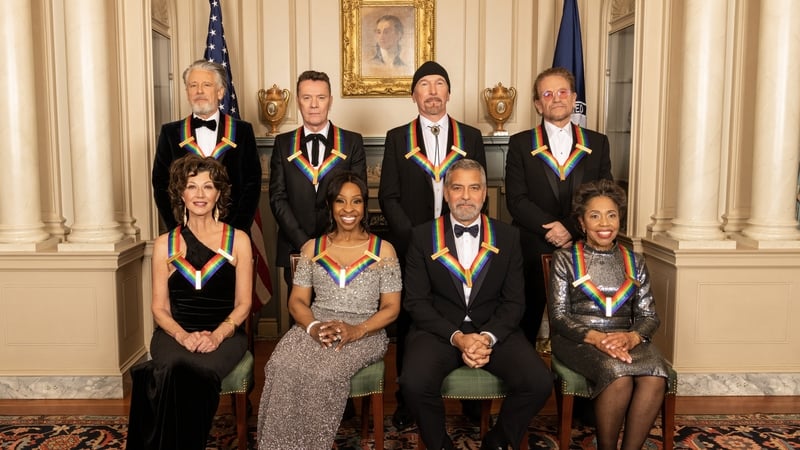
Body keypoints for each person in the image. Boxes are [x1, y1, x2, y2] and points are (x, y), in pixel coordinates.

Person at [400, 159, 552, 450]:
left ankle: (496, 441)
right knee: (413, 383)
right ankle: (440, 444)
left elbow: (514, 301)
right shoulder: (422, 236)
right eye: (457, 188)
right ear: (446, 193)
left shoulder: (508, 236)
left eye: (474, 188)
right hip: (440, 332)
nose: (466, 196)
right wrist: (458, 338)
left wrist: (486, 337)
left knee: (538, 382)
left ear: (485, 193)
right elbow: (416, 302)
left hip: (493, 330)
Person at [257, 171, 401, 449]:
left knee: (323, 374)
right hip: (314, 326)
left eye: (357, 201)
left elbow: (391, 308)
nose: (349, 209)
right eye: (341, 201)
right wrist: (313, 327)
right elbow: (297, 301)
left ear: (364, 206)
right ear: (330, 206)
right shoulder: (312, 248)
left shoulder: (384, 250)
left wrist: (357, 330)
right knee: (281, 365)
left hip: (365, 331)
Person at [379, 60, 487, 429]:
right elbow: (389, 196)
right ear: (414, 95)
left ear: (449, 93)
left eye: (439, 83)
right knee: (411, 319)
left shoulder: (470, 136)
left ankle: (473, 400)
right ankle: (407, 401)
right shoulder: (398, 137)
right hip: (414, 246)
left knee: (468, 312)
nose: (433, 91)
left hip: (465, 246)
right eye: (424, 84)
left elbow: (480, 192)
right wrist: (415, 240)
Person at [127, 154, 253, 449]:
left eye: (208, 187)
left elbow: (244, 304)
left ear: (219, 193)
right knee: (170, 370)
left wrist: (218, 335)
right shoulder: (164, 244)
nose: (200, 194)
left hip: (226, 334)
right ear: (180, 193)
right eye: (191, 186)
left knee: (196, 374)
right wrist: (183, 336)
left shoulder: (239, 240)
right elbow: (158, 308)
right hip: (174, 333)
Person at [548, 179, 670, 450]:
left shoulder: (635, 261)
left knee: (656, 373)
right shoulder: (565, 259)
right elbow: (558, 316)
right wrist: (596, 338)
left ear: (619, 220)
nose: (604, 224)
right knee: (618, 373)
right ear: (581, 223)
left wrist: (631, 337)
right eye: (595, 216)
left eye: (611, 215)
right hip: (578, 339)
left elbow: (650, 316)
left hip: (625, 338)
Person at [505, 66, 612, 347]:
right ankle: (526, 380)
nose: (556, 98)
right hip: (531, 245)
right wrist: (551, 230)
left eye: (562, 91)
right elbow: (516, 200)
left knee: (581, 322)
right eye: (548, 94)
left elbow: (602, 196)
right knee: (525, 320)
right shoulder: (520, 144)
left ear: (573, 97)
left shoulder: (598, 143)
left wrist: (569, 227)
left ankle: (578, 386)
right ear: (538, 103)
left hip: (582, 246)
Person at [270, 70, 367, 294]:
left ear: (330, 101)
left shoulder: (352, 142)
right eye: (307, 98)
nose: (314, 105)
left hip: (341, 244)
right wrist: (304, 242)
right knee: (300, 316)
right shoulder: (283, 143)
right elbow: (277, 198)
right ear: (298, 101)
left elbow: (356, 197)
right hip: (295, 246)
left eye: (320, 98)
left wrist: (332, 240)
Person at [152, 59, 261, 233]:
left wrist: (234, 231)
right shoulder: (170, 133)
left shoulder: (242, 131)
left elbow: (252, 184)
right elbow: (161, 185)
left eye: (206, 85)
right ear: (187, 92)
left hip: (232, 233)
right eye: (193, 85)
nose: (199, 91)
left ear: (220, 92)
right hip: (184, 233)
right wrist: (180, 229)